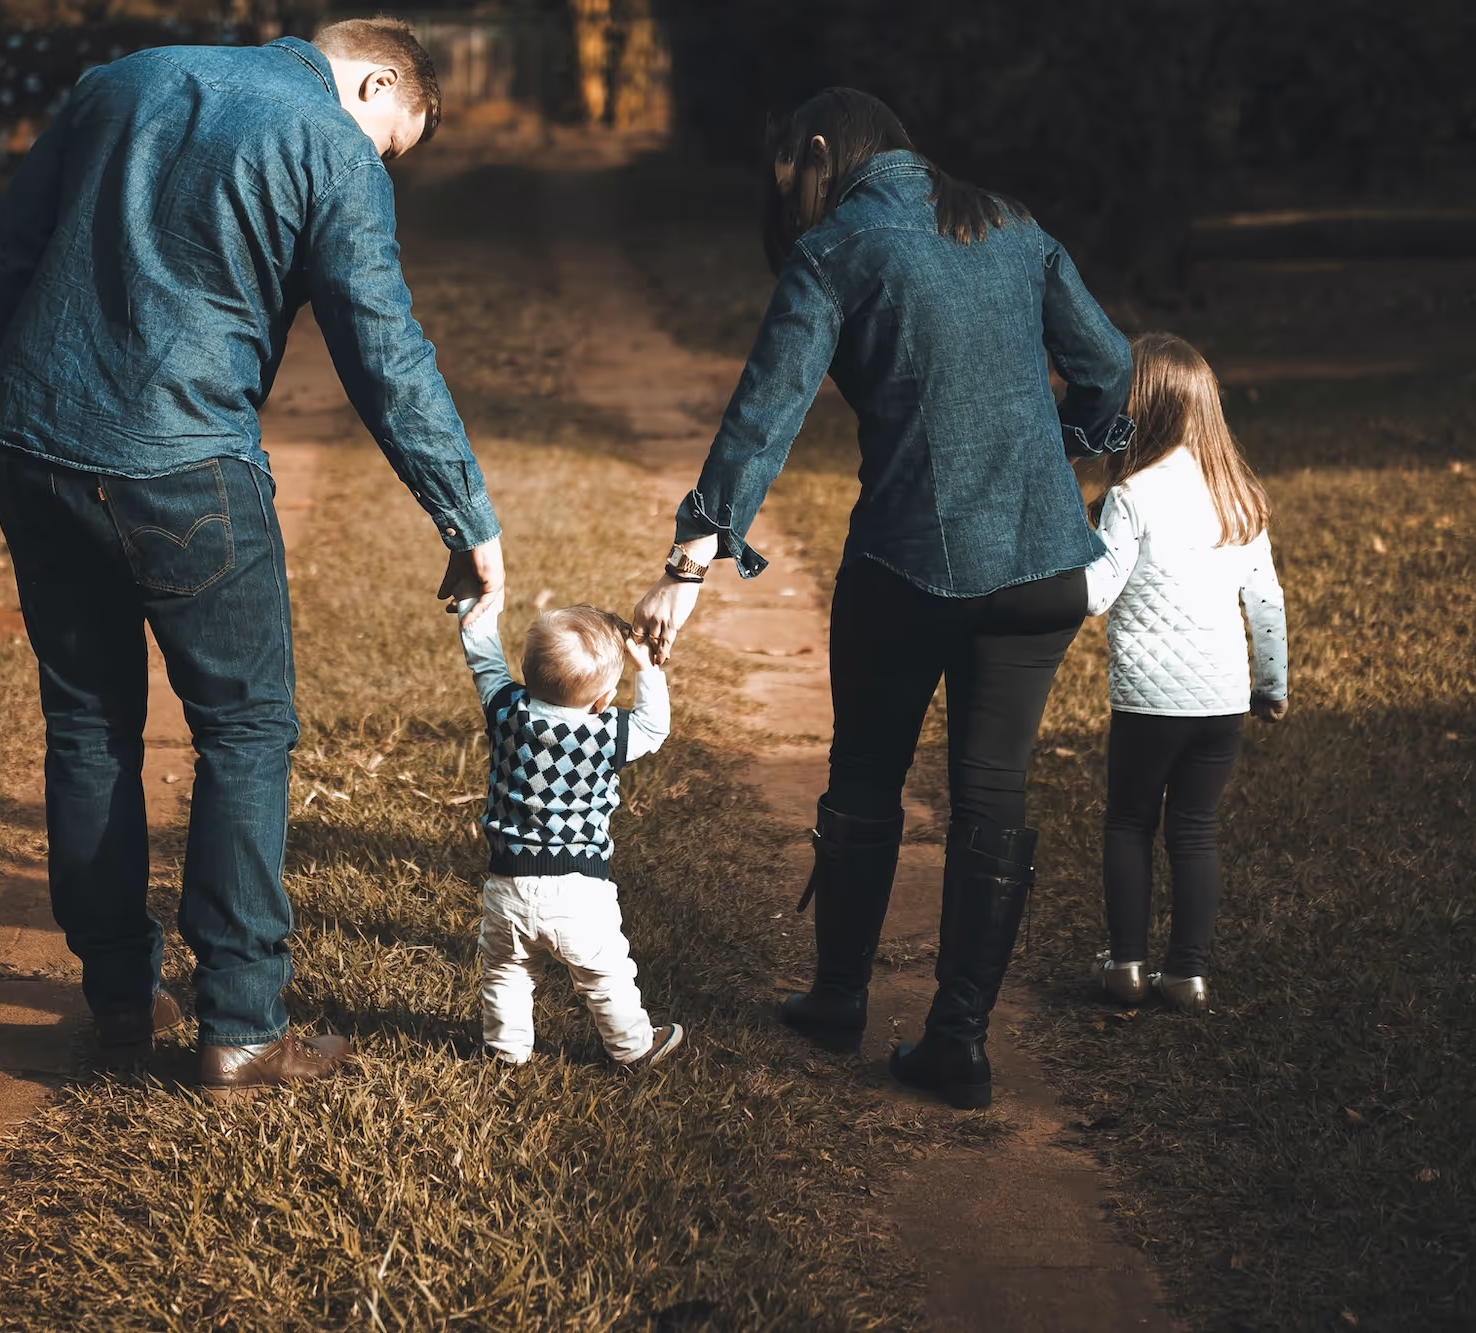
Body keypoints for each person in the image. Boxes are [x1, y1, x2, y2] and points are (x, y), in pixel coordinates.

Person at [0, 19, 506, 1098]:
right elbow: (383, 349)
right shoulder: (330, 144)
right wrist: (464, 515)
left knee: (87, 722)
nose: (380, 163)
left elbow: (7, 248)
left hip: (33, 449)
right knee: (245, 728)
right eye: (391, 142)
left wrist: (38, 391)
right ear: (371, 79)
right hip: (184, 467)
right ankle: (243, 1027)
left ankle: (121, 998)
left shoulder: (117, 80)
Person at [632, 88, 1134, 1110]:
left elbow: (760, 419)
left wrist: (686, 569)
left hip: (906, 569)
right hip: (1042, 570)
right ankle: (958, 1042)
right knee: (991, 793)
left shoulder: (837, 248)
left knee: (866, 778)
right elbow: (1112, 368)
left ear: (821, 154)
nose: (798, 206)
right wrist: (1071, 447)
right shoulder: (1011, 222)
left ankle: (835, 1000)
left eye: (796, 183)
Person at [1085, 332, 1288, 1014]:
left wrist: (1063, 556)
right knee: (1195, 829)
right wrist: (1272, 685)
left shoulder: (1132, 496)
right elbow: (1265, 601)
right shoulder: (1238, 497)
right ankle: (1188, 975)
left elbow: (1096, 594)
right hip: (1222, 701)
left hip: (1148, 703)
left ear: (1137, 408)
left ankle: (1126, 967)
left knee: (1130, 822)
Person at [456, 600, 685, 1069]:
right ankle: (634, 1047)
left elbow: (484, 660)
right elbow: (654, 728)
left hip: (508, 886)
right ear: (602, 700)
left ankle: (505, 1050)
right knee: (605, 976)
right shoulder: (610, 732)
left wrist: (475, 603)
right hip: (580, 892)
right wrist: (646, 669)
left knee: (506, 971)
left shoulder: (506, 711)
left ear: (527, 673)